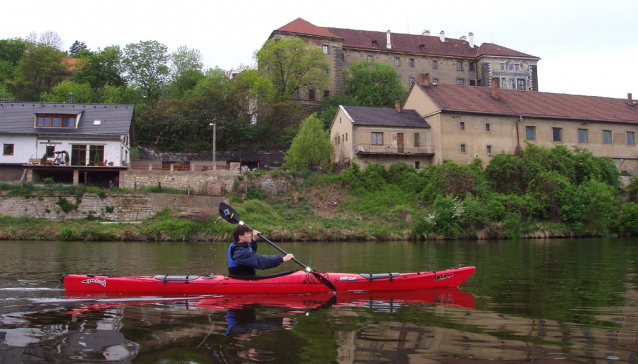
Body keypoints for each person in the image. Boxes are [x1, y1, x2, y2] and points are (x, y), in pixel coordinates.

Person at [228, 225, 294, 276]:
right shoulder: (240, 253)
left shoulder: (239, 247)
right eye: (247, 233)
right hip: (243, 278)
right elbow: (260, 261)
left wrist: (254, 240)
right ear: (240, 237)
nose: (250, 235)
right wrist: (282, 259)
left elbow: (250, 255)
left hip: (246, 276)